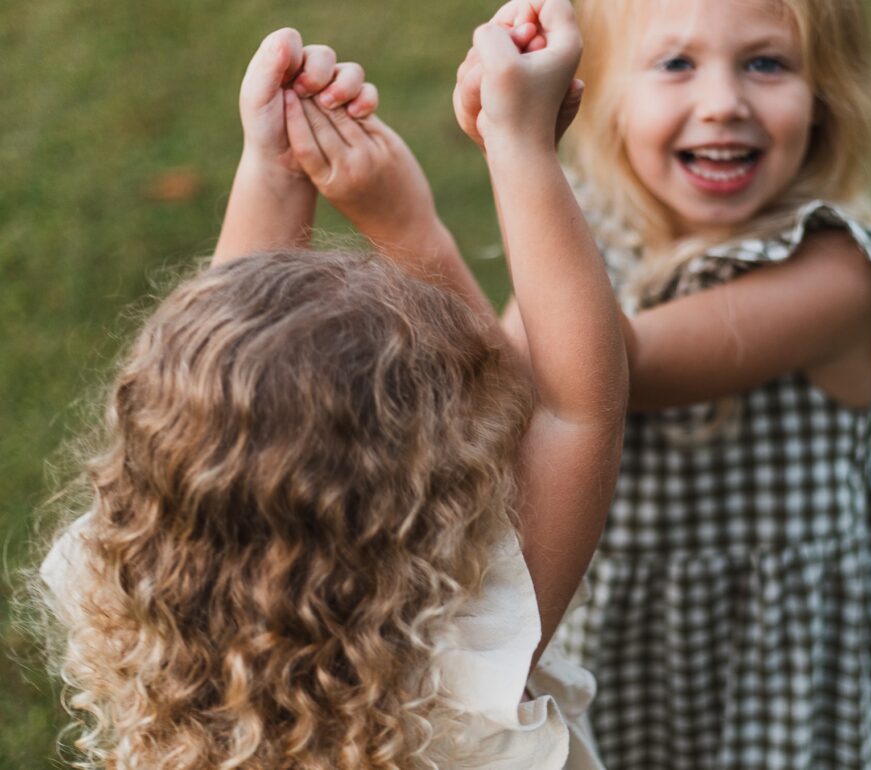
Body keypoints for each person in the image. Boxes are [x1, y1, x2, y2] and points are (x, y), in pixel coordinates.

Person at [38, 13, 624, 769]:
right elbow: (574, 411)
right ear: (429, 502)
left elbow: (232, 382)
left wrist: (273, 167)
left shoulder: (128, 612)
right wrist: (520, 146)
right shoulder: (458, 673)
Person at [453, 0, 871, 767]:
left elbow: (608, 370)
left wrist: (520, 154)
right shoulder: (596, 234)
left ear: (828, 94)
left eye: (767, 62)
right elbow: (501, 387)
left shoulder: (839, 272)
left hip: (782, 668)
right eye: (676, 64)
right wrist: (401, 207)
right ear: (601, 92)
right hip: (622, 641)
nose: (723, 103)